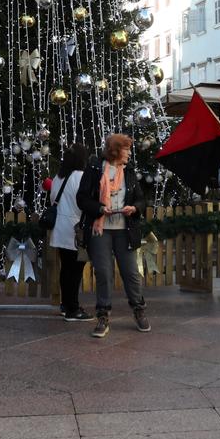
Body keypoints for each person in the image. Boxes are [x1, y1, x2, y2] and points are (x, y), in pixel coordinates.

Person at [77, 133, 148, 338]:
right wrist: (99, 208)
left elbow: (142, 200)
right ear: (115, 150)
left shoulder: (130, 171)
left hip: (124, 230)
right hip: (101, 229)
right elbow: (81, 198)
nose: (129, 153)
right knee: (104, 273)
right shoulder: (94, 168)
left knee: (131, 273)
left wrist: (134, 208)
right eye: (126, 149)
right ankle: (103, 316)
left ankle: (139, 310)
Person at [50, 143, 91, 321]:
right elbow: (84, 202)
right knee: (75, 270)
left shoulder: (58, 177)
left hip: (60, 228)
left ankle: (66, 305)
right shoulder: (81, 176)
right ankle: (73, 309)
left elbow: (53, 199)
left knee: (66, 268)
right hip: (76, 230)